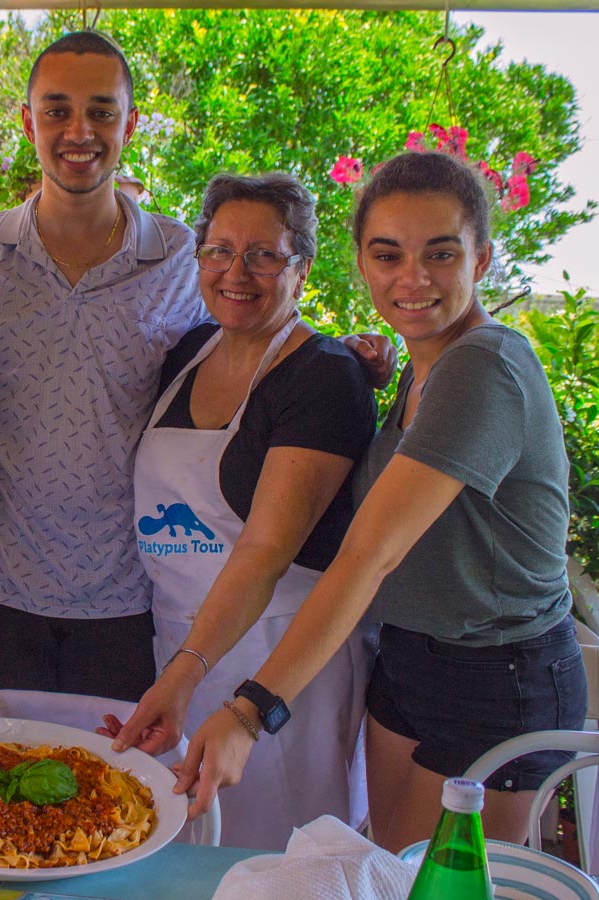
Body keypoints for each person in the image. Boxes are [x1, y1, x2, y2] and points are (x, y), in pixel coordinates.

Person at [0, 32, 393, 701]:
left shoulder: (184, 259)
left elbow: (251, 324)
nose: (79, 130)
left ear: (128, 122)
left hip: (129, 602)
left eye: (101, 111)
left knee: (115, 799)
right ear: (28, 120)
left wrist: (344, 352)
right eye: (58, 109)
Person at [161, 150, 587, 850]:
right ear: (361, 262)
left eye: (440, 254)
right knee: (386, 873)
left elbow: (368, 555)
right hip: (408, 660)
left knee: (443, 890)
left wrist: (248, 713)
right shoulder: (420, 373)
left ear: (482, 260)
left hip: (498, 674)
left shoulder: (485, 367)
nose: (411, 278)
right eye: (388, 255)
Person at [103, 173, 376, 850]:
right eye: (219, 251)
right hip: (182, 652)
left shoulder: (326, 376)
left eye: (264, 254)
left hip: (279, 668)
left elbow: (262, 552)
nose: (237, 272)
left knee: (282, 858)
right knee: (192, 852)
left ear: (302, 269)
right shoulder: (184, 359)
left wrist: (182, 676)